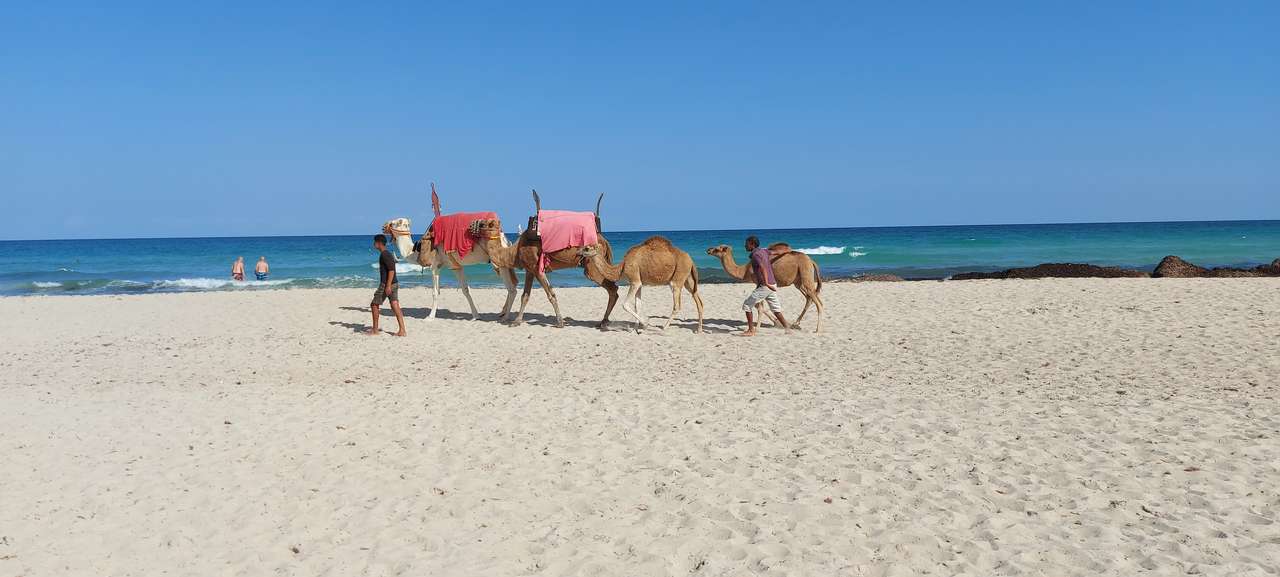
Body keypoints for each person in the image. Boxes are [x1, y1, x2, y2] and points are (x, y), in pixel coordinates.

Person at [740, 235, 790, 336]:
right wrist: (787, 251)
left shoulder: (756, 255)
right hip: (773, 284)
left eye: (747, 244)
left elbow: (762, 267)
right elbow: (776, 252)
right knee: (776, 309)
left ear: (752, 244)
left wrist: (765, 283)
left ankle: (750, 330)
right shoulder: (764, 251)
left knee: (747, 305)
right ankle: (787, 328)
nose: (745, 246)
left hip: (766, 286)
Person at [370, 234, 407, 337]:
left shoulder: (384, 254)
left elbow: (391, 270)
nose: (374, 244)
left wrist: (388, 286)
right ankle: (402, 330)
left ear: (378, 243)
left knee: (374, 304)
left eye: (374, 242)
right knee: (395, 305)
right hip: (394, 283)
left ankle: (375, 330)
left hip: (387, 284)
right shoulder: (387, 254)